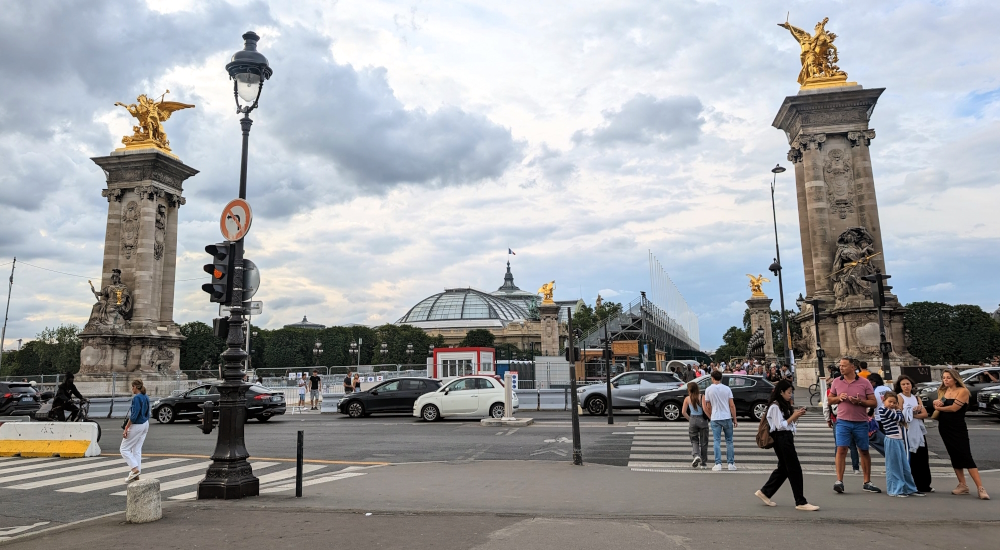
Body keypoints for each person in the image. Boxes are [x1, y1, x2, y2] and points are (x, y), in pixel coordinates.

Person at [755, 379, 819, 511]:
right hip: (781, 439)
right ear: (781, 392)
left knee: (784, 468)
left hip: (786, 438)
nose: (790, 395)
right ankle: (800, 501)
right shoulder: (774, 406)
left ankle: (765, 492)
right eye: (789, 392)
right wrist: (793, 416)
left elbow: (788, 424)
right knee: (794, 469)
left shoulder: (782, 404)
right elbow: (780, 426)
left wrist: (796, 416)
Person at [933, 368, 990, 500]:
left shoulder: (963, 391)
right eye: (944, 378)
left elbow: (954, 408)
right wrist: (937, 402)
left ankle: (980, 487)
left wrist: (939, 408)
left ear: (955, 378)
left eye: (948, 377)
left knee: (966, 455)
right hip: (944, 427)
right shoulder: (944, 390)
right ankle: (962, 484)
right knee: (953, 455)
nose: (945, 380)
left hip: (957, 427)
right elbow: (940, 402)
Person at [828, 357, 881, 494]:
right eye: (840, 365)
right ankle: (839, 481)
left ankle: (867, 481)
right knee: (841, 449)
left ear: (852, 367)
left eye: (844, 366)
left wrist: (860, 402)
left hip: (860, 422)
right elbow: (829, 400)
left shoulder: (864, 382)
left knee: (863, 450)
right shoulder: (836, 382)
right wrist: (838, 399)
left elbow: (873, 402)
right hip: (843, 421)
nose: (841, 368)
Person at [876, 391, 921, 497]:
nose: (892, 404)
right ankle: (895, 490)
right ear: (884, 400)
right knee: (894, 466)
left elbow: (901, 418)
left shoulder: (893, 410)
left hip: (899, 439)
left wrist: (898, 410)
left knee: (905, 466)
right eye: (890, 401)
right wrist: (898, 410)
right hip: (891, 440)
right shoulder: (883, 410)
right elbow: (899, 418)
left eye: (894, 402)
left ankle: (909, 488)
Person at [895, 375, 933, 493]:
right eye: (903, 384)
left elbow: (924, 414)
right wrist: (911, 413)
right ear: (900, 387)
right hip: (907, 431)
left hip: (917, 430)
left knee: (922, 457)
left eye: (908, 384)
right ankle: (912, 483)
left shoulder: (916, 398)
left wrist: (912, 415)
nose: (906, 386)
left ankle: (924, 484)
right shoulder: (899, 397)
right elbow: (900, 414)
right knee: (911, 458)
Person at [824, 374, 860, 475]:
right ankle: (855, 468)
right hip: (849, 419)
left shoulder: (829, 392)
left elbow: (826, 407)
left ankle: (838, 467)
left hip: (837, 420)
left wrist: (828, 419)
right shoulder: (848, 389)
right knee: (852, 445)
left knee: (839, 445)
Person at [704, 370, 737, 471]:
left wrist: (711, 416)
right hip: (727, 417)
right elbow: (731, 405)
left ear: (712, 378)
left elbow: (708, 406)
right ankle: (731, 464)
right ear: (721, 378)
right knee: (729, 441)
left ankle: (718, 463)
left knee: (716, 441)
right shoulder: (727, 389)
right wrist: (734, 418)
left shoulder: (708, 389)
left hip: (715, 417)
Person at [120, 379, 150, 484]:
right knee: (137, 449)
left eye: (132, 387)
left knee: (124, 449)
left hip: (137, 425)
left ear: (135, 387)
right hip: (145, 423)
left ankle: (134, 469)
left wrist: (126, 428)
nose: (131, 389)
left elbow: (134, 415)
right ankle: (136, 475)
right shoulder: (145, 396)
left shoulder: (137, 398)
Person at [681, 381, 709, 469]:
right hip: (702, 420)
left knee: (694, 440)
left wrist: (690, 419)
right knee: (704, 442)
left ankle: (696, 455)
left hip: (693, 419)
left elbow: (683, 412)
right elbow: (705, 408)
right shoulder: (701, 396)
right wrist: (710, 418)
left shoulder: (687, 399)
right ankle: (703, 464)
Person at [868, 373, 890, 457]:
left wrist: (869, 415)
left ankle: (890, 462)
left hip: (879, 418)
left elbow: (873, 405)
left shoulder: (874, 391)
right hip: (890, 417)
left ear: (873, 382)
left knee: (883, 443)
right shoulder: (888, 388)